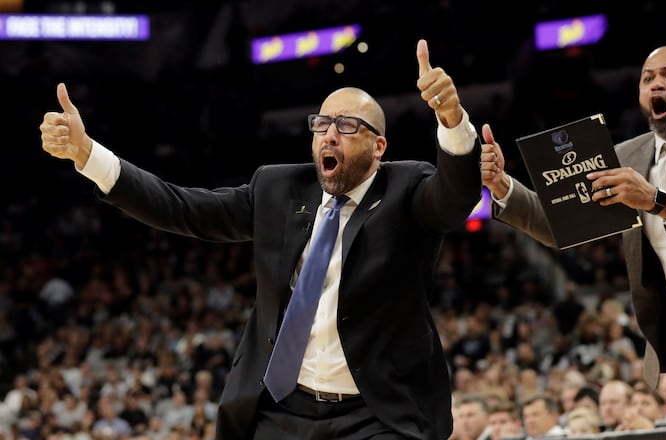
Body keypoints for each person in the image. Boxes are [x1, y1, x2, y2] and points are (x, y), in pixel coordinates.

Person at [39, 39, 483, 439]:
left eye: (347, 126)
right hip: (282, 409)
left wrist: (452, 121)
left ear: (379, 147)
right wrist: (88, 155)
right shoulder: (276, 189)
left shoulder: (407, 189)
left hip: (377, 414)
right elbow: (182, 207)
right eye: (322, 123)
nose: (329, 133)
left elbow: (454, 198)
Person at [480, 45, 666, 439]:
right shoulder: (623, 158)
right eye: (647, 79)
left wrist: (657, 201)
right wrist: (504, 186)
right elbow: (561, 225)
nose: (656, 83)